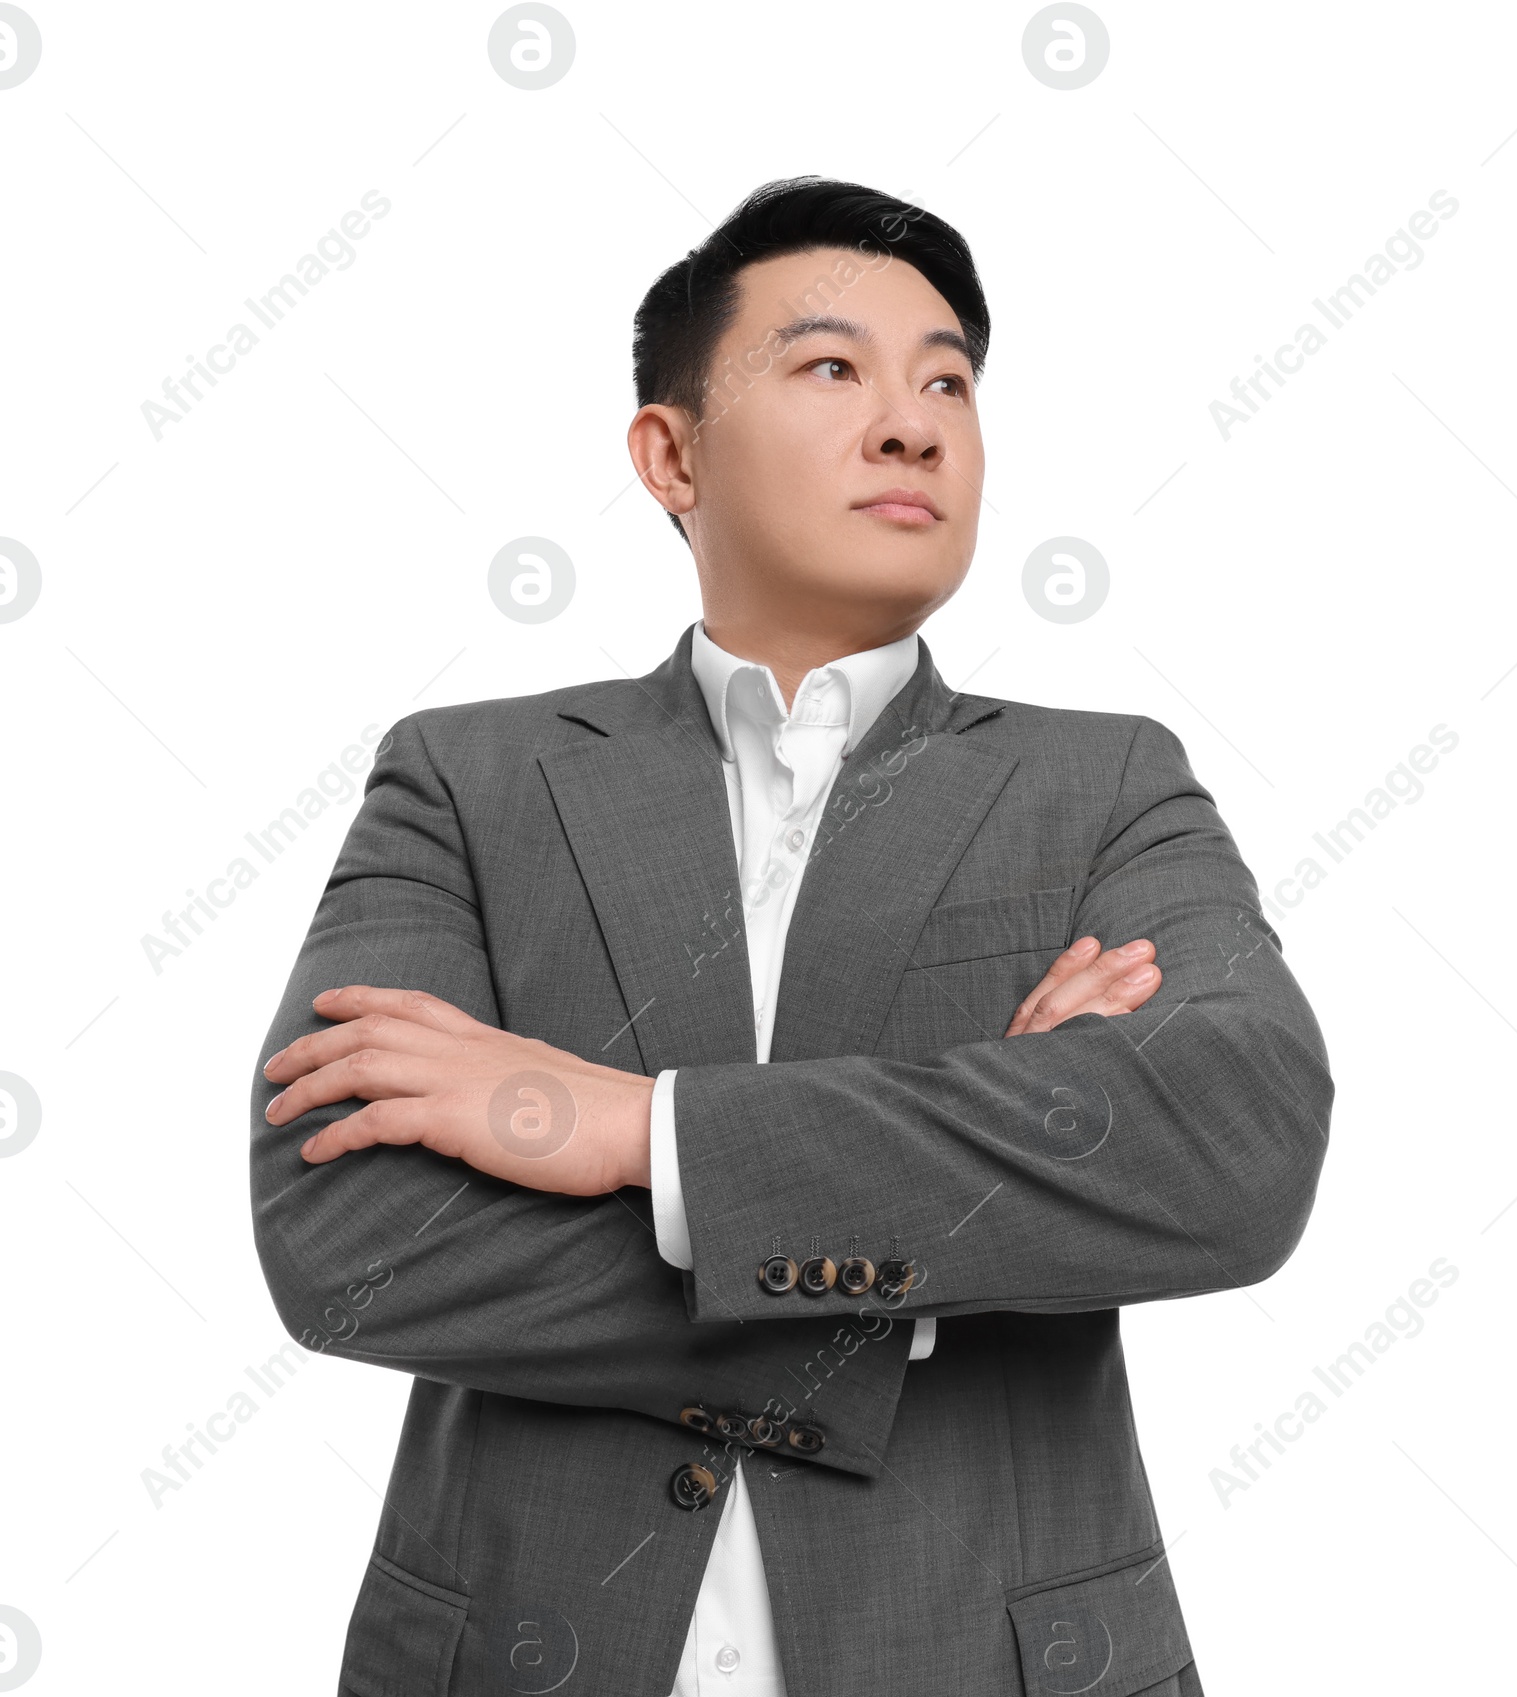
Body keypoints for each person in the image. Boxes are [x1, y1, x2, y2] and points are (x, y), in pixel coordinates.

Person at [250, 176, 1332, 1697]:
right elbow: (346, 1241)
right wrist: (964, 1219)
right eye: (834, 368)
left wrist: (641, 1133)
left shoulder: (1105, 785)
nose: (914, 423)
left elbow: (1234, 1148)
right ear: (670, 451)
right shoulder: (467, 778)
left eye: (947, 378)